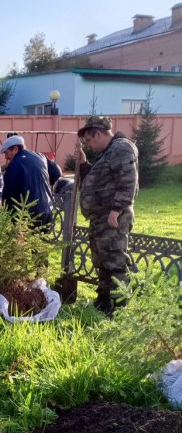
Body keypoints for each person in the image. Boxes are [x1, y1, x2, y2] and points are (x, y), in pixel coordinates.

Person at [75, 115, 139, 314]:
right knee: (102, 262)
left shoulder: (121, 148)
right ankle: (104, 301)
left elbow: (129, 181)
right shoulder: (108, 152)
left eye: (89, 140)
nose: (88, 144)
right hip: (100, 218)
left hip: (112, 218)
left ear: (98, 134)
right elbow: (97, 182)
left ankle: (121, 309)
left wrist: (116, 210)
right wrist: (84, 164)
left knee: (115, 263)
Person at [0, 135, 54, 226]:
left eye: (6, 153)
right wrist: (44, 184)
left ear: (15, 149)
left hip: (27, 217)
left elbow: (8, 193)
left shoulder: (15, 165)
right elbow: (57, 172)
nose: (6, 157)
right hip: (47, 211)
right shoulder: (40, 156)